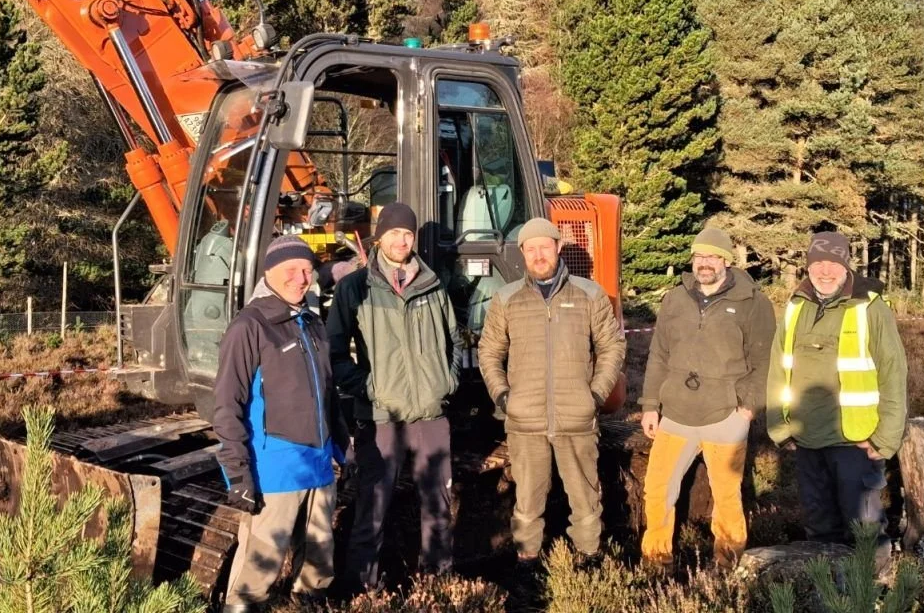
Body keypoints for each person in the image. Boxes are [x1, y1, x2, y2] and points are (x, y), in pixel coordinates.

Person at [477, 217, 626, 571]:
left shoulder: (589, 294)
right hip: (524, 421)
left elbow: (612, 347)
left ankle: (588, 561)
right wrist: (503, 397)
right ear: (523, 254)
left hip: (576, 417)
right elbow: (489, 352)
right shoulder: (506, 298)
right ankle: (527, 563)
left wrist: (595, 395)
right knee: (527, 500)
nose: (539, 254)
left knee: (585, 498)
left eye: (545, 246)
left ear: (558, 248)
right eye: (531, 249)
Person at [327, 201, 462, 590]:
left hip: (431, 415)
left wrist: (446, 382)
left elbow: (453, 338)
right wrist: (371, 390)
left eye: (408, 233)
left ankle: (437, 582)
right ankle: (363, 586)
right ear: (380, 238)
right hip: (382, 417)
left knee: (437, 504)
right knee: (373, 505)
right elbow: (335, 352)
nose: (402, 241)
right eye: (394, 233)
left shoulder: (432, 284)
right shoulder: (355, 288)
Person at [213, 235, 347, 613]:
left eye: (307, 270)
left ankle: (309, 604)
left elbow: (328, 394)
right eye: (291, 270)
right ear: (269, 272)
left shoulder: (312, 322)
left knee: (319, 561)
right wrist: (237, 475)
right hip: (275, 471)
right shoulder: (250, 326)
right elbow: (226, 405)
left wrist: (341, 447)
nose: (301, 278)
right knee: (259, 569)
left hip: (319, 466)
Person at [638, 227, 775, 569]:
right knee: (657, 490)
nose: (705, 263)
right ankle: (657, 563)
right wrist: (650, 405)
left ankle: (728, 564)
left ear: (726, 260)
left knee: (727, 496)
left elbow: (764, 360)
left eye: (713, 256)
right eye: (699, 256)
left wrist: (747, 407)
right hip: (676, 414)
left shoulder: (753, 302)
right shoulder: (674, 299)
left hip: (726, 415)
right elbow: (658, 355)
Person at [766, 231, 907, 560]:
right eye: (818, 263)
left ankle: (870, 594)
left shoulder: (870, 307)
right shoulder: (796, 305)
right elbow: (778, 369)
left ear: (846, 266)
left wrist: (885, 439)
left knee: (865, 530)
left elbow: (893, 373)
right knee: (819, 529)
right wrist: (779, 426)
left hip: (856, 443)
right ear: (808, 266)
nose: (825, 271)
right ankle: (827, 594)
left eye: (833, 263)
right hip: (806, 440)